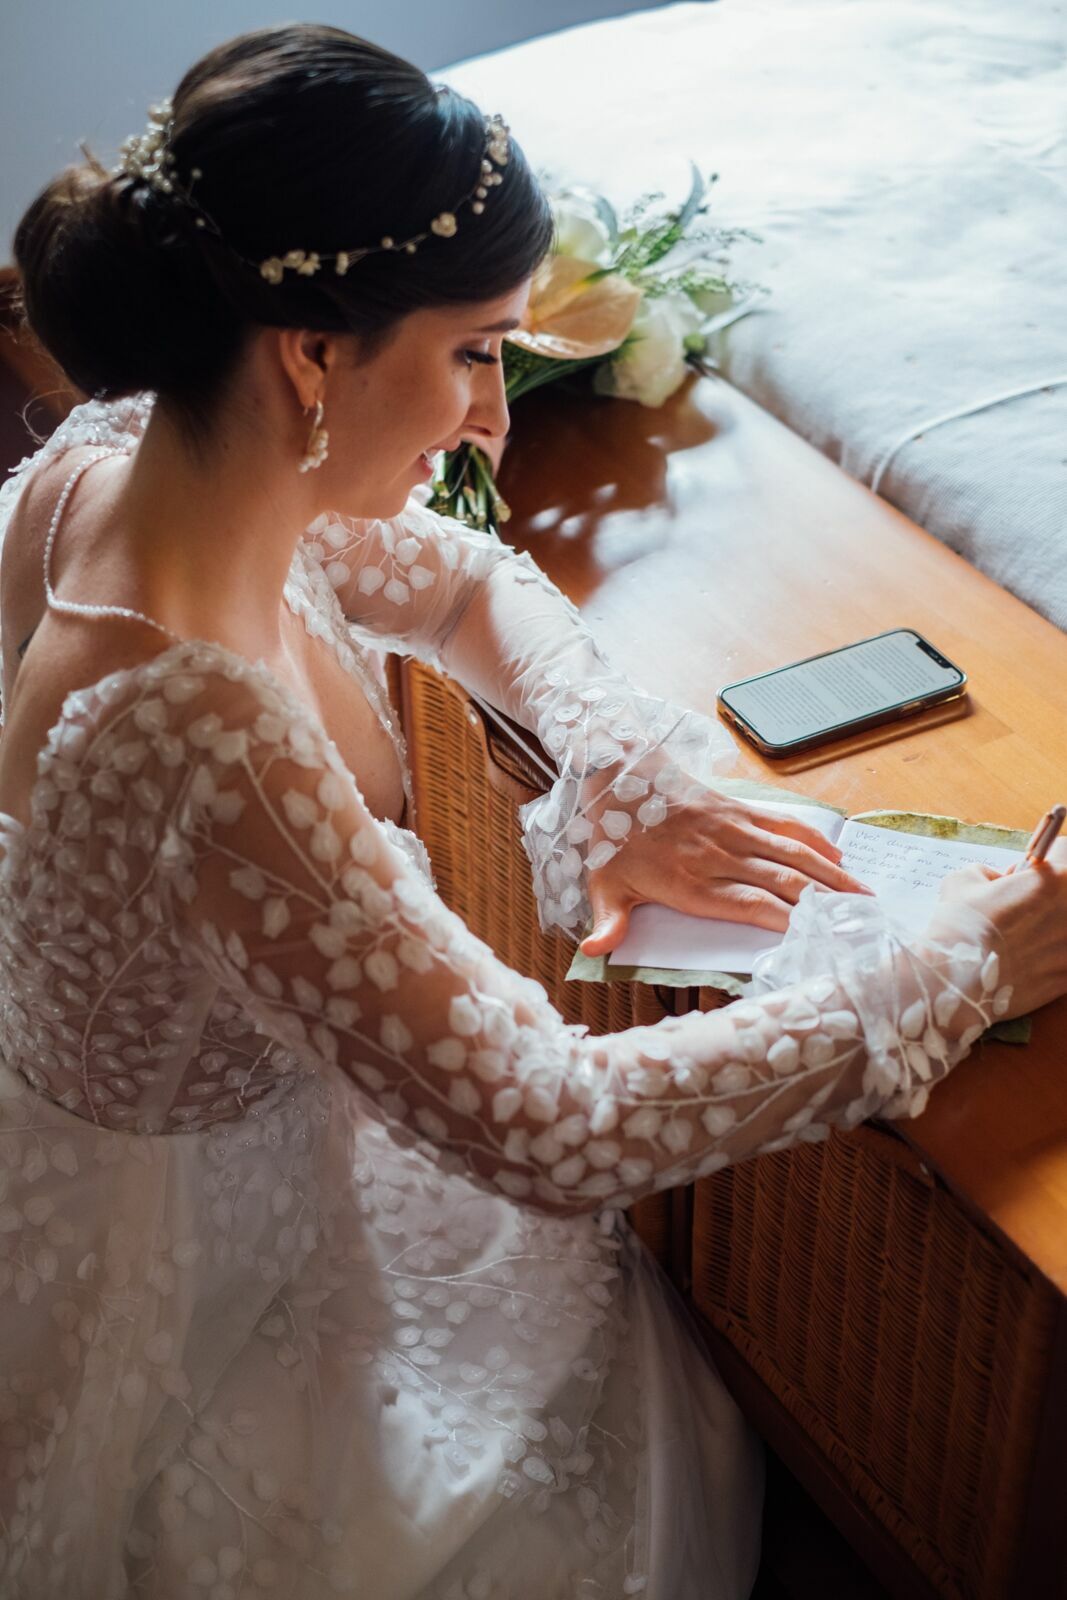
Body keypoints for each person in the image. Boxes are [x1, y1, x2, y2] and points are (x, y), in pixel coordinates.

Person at [0, 24, 1064, 1600]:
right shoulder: (202, 733)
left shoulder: (123, 475)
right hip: (193, 1295)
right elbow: (555, 1128)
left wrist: (612, 760)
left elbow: (462, 582)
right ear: (310, 354)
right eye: (475, 351)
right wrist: (955, 967)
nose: (495, 418)